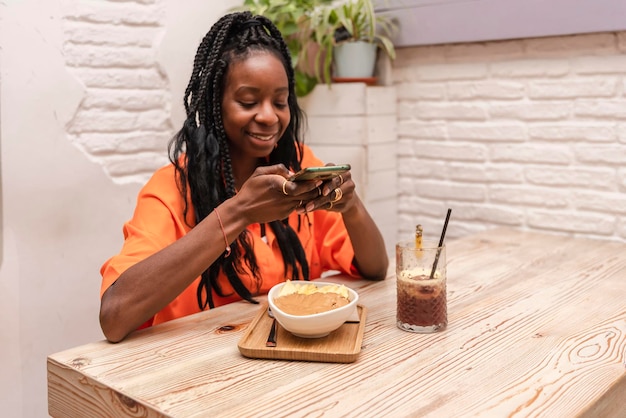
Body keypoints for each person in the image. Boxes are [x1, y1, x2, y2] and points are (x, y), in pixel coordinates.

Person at [99, 11, 389, 343]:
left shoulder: (300, 165)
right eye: (248, 101)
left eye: (280, 102)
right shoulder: (171, 189)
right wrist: (238, 212)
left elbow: (376, 268)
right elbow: (114, 317)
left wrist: (351, 206)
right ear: (214, 104)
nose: (269, 116)